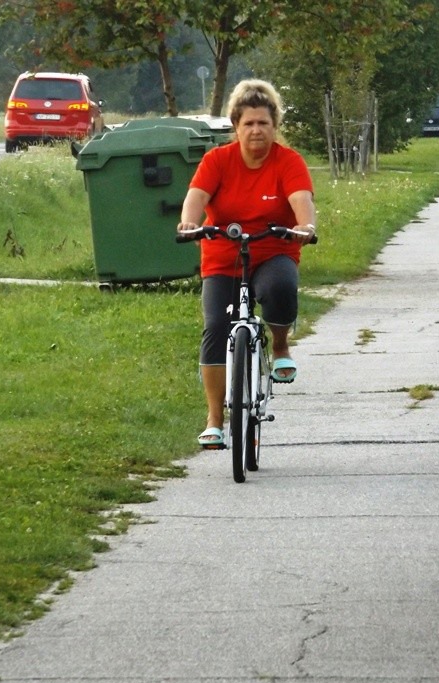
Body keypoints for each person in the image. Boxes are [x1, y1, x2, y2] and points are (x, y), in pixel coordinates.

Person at [177, 79, 317, 449]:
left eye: (264, 123)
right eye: (249, 123)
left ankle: (282, 347)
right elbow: (196, 197)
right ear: (236, 127)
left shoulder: (288, 162)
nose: (257, 130)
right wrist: (190, 223)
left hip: (274, 251)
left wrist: (305, 227)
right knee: (216, 326)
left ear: (275, 126)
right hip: (224, 256)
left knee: (279, 289)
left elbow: (301, 199)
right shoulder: (217, 161)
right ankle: (214, 419)